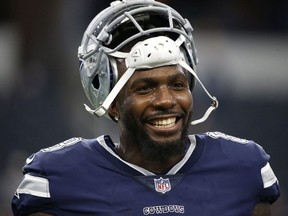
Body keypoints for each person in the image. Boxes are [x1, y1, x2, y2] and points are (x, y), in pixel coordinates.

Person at [11, 0, 280, 215]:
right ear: (112, 103)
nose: (166, 100)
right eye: (145, 88)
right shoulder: (59, 180)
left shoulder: (243, 170)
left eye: (177, 84)